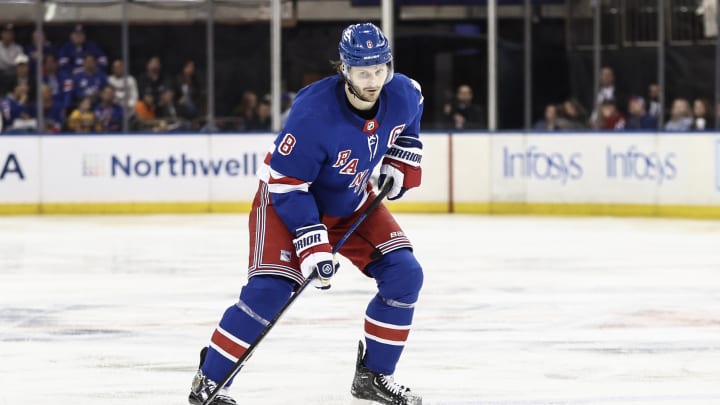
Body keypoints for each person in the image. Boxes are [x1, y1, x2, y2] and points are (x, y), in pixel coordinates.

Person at [188, 22, 424, 405]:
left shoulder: (402, 92)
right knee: (269, 291)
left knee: (405, 273)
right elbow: (287, 184)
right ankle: (210, 382)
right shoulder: (312, 113)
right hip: (288, 201)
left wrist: (404, 152)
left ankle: (374, 376)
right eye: (363, 72)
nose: (373, 80)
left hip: (349, 200)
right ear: (344, 70)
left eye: (380, 69)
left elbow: (414, 104)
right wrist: (312, 243)